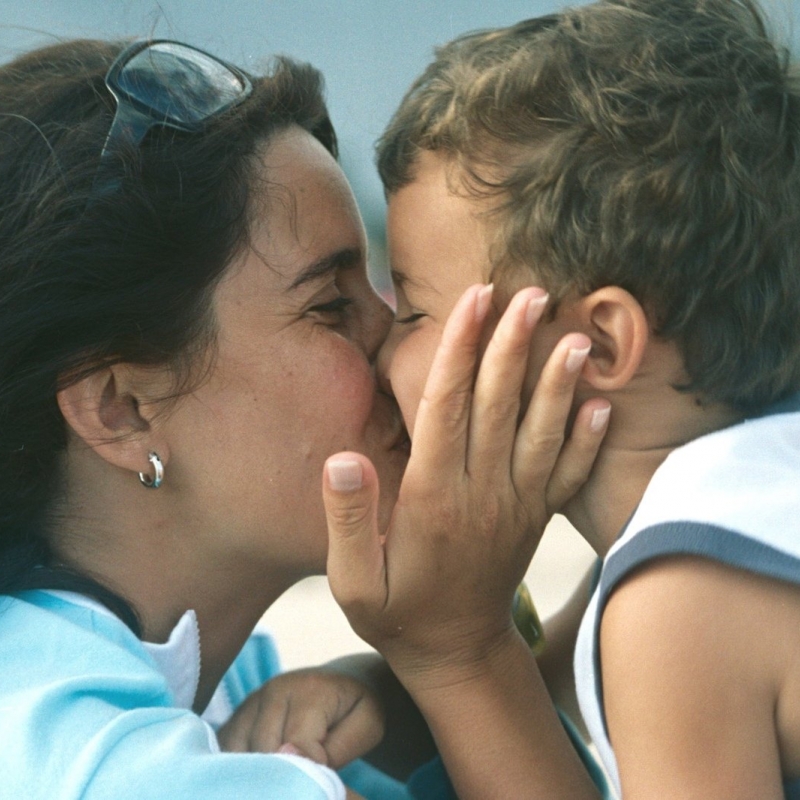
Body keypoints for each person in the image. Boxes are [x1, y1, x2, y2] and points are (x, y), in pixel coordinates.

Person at [0, 35, 607, 799]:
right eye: (330, 307)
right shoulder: (117, 775)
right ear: (121, 410)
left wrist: (402, 696)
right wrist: (461, 652)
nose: (393, 352)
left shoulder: (205, 687)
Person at [318, 0, 800, 798]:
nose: (378, 348)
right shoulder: (749, 504)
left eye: (412, 311)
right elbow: (549, 681)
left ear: (599, 347)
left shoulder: (679, 604)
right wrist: (386, 690)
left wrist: (455, 649)